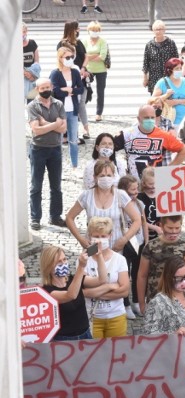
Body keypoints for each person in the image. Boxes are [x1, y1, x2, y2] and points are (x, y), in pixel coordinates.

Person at [66, 159, 142, 252]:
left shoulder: (121, 195)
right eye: (102, 175)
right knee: (91, 265)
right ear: (95, 177)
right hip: (93, 247)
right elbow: (69, 217)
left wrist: (124, 239)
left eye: (109, 175)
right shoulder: (86, 195)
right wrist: (80, 239)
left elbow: (137, 220)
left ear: (113, 177)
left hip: (115, 247)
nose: (106, 178)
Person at [27, 78, 67, 231]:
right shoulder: (32, 106)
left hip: (55, 149)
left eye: (47, 87)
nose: (45, 90)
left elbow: (63, 129)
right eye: (42, 88)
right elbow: (36, 130)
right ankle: (35, 218)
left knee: (56, 185)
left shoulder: (59, 104)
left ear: (51, 87)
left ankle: (55, 216)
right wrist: (55, 124)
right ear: (37, 89)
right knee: (36, 185)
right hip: (38, 149)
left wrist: (46, 124)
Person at [82, 217, 130, 338]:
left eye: (103, 236)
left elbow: (124, 291)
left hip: (116, 316)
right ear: (90, 236)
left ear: (110, 236)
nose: (99, 240)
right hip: (92, 316)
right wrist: (109, 287)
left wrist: (94, 292)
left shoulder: (120, 260)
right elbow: (81, 291)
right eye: (96, 236)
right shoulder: (84, 259)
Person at [113, 104, 185, 179]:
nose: (149, 120)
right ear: (139, 119)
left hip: (156, 183)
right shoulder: (127, 134)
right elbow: (107, 145)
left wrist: (168, 169)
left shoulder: (163, 135)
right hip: (133, 185)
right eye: (146, 118)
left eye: (152, 117)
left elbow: (184, 150)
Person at [137, 215, 185, 313]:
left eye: (177, 228)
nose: (174, 231)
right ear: (161, 226)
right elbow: (142, 275)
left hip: (178, 300)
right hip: (155, 298)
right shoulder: (150, 246)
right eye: (170, 228)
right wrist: (141, 303)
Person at [40, 246, 91, 341]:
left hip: (85, 334)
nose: (64, 263)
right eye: (59, 262)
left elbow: (102, 280)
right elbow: (71, 295)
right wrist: (81, 267)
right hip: (64, 339)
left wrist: (99, 255)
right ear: (49, 266)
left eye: (64, 259)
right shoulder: (47, 291)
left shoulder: (73, 279)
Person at [143, 256, 185, 335]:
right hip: (171, 346)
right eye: (178, 278)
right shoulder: (158, 302)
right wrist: (173, 335)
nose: (184, 282)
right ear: (168, 278)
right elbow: (148, 335)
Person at [118, 174, 147, 317]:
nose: (136, 192)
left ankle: (136, 300)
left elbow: (144, 223)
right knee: (125, 274)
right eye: (132, 190)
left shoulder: (140, 204)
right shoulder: (120, 206)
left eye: (137, 189)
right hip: (125, 245)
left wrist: (146, 241)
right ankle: (125, 304)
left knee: (137, 273)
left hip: (139, 243)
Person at [50, 46, 83, 168]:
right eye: (67, 57)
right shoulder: (55, 73)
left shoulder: (74, 72)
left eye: (72, 57)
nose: (70, 59)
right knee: (58, 141)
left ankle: (74, 165)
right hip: (60, 112)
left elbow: (80, 89)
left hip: (73, 111)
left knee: (73, 140)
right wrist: (68, 91)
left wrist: (68, 90)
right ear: (60, 58)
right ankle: (57, 167)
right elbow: (55, 91)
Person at [57, 20, 90, 139]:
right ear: (72, 29)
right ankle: (68, 133)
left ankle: (86, 129)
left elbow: (86, 57)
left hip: (80, 76)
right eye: (77, 28)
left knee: (81, 104)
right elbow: (59, 60)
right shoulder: (62, 44)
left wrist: (83, 68)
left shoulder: (79, 42)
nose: (79, 30)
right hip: (66, 77)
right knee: (68, 105)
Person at [152, 58, 185, 126]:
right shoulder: (162, 82)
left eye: (180, 68)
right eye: (177, 69)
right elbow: (153, 100)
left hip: (184, 121)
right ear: (170, 70)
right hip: (167, 121)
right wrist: (166, 95)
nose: (180, 70)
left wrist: (177, 101)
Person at [143, 20, 179, 95]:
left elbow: (176, 61)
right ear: (153, 31)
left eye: (160, 29)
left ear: (164, 30)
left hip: (168, 76)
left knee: (168, 98)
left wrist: (177, 75)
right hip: (154, 77)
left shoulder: (171, 43)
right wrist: (145, 78)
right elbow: (146, 63)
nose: (158, 31)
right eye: (156, 29)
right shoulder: (149, 45)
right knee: (155, 100)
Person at [83, 21, 108, 122]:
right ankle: (82, 111)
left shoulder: (102, 41)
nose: (94, 32)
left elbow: (102, 57)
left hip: (101, 70)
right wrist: (95, 55)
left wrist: (89, 57)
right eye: (93, 30)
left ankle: (99, 113)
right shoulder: (84, 41)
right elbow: (82, 55)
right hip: (88, 69)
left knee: (100, 91)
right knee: (84, 90)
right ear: (88, 30)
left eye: (97, 30)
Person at [23, 23, 41, 102]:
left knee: (32, 103)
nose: (22, 34)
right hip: (20, 77)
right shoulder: (14, 45)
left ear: (27, 32)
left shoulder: (32, 43)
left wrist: (31, 75)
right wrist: (25, 73)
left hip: (32, 77)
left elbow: (37, 61)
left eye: (24, 32)